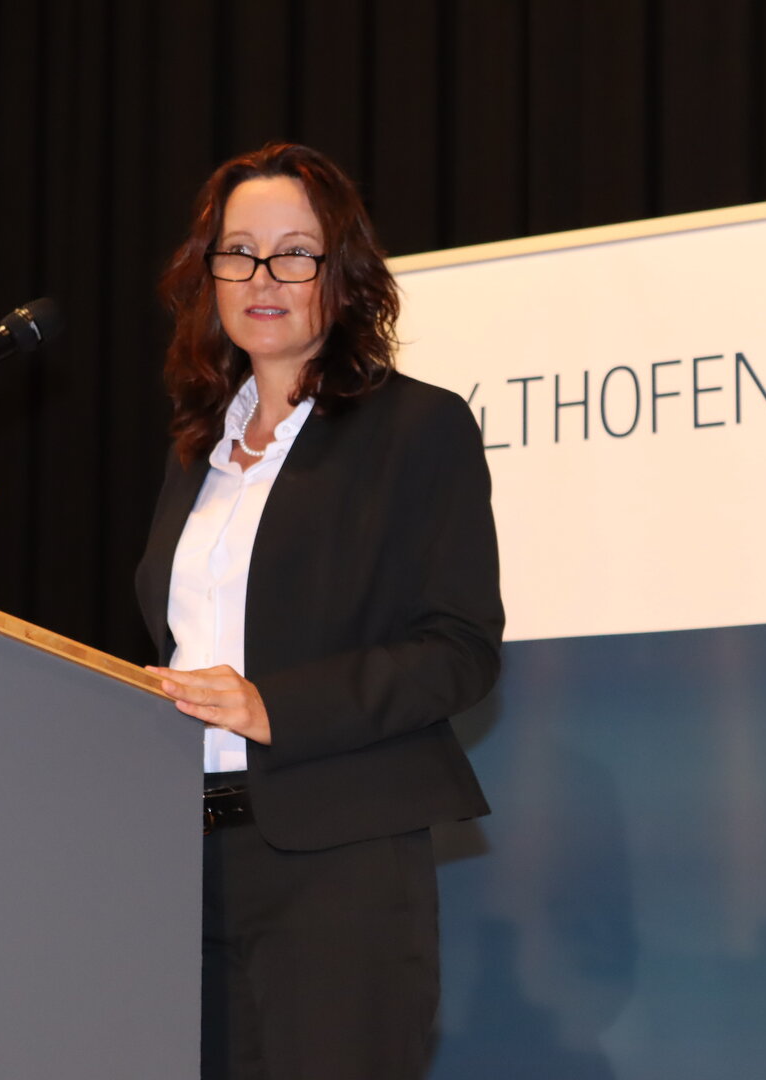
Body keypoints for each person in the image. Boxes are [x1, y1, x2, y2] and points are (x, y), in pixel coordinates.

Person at [135, 142, 503, 1080]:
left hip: (339, 857)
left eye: (294, 252)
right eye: (238, 251)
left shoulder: (416, 428)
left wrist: (273, 705)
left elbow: (459, 649)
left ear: (342, 275)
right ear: (207, 273)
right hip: (181, 861)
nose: (263, 276)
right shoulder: (195, 454)